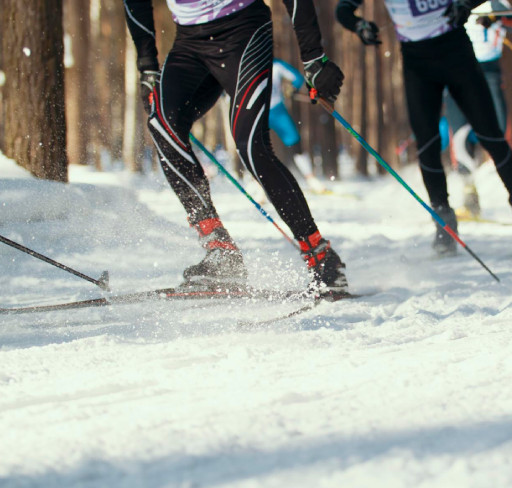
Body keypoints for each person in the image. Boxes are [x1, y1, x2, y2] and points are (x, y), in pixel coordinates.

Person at [123, 0, 348, 293]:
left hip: (244, 33)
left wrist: (313, 57)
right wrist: (147, 66)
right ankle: (221, 252)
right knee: (162, 124)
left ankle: (321, 257)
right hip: (189, 42)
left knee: (251, 148)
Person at [336, 0, 512, 255]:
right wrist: (358, 26)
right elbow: (343, 9)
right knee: (427, 145)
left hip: (457, 54)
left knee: (491, 136)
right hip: (417, 65)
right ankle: (444, 223)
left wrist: (465, 4)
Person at [443, 0, 512, 219]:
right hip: (458, 69)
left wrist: (496, 18)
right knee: (460, 132)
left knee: (498, 130)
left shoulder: (496, 3)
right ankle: (469, 195)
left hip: (489, 71)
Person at [269, 59, 327, 194]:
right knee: (255, 147)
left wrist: (292, 89)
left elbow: (297, 78)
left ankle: (311, 180)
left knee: (295, 142)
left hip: (277, 111)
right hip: (255, 112)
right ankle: (257, 185)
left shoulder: (276, 65)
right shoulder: (246, 63)